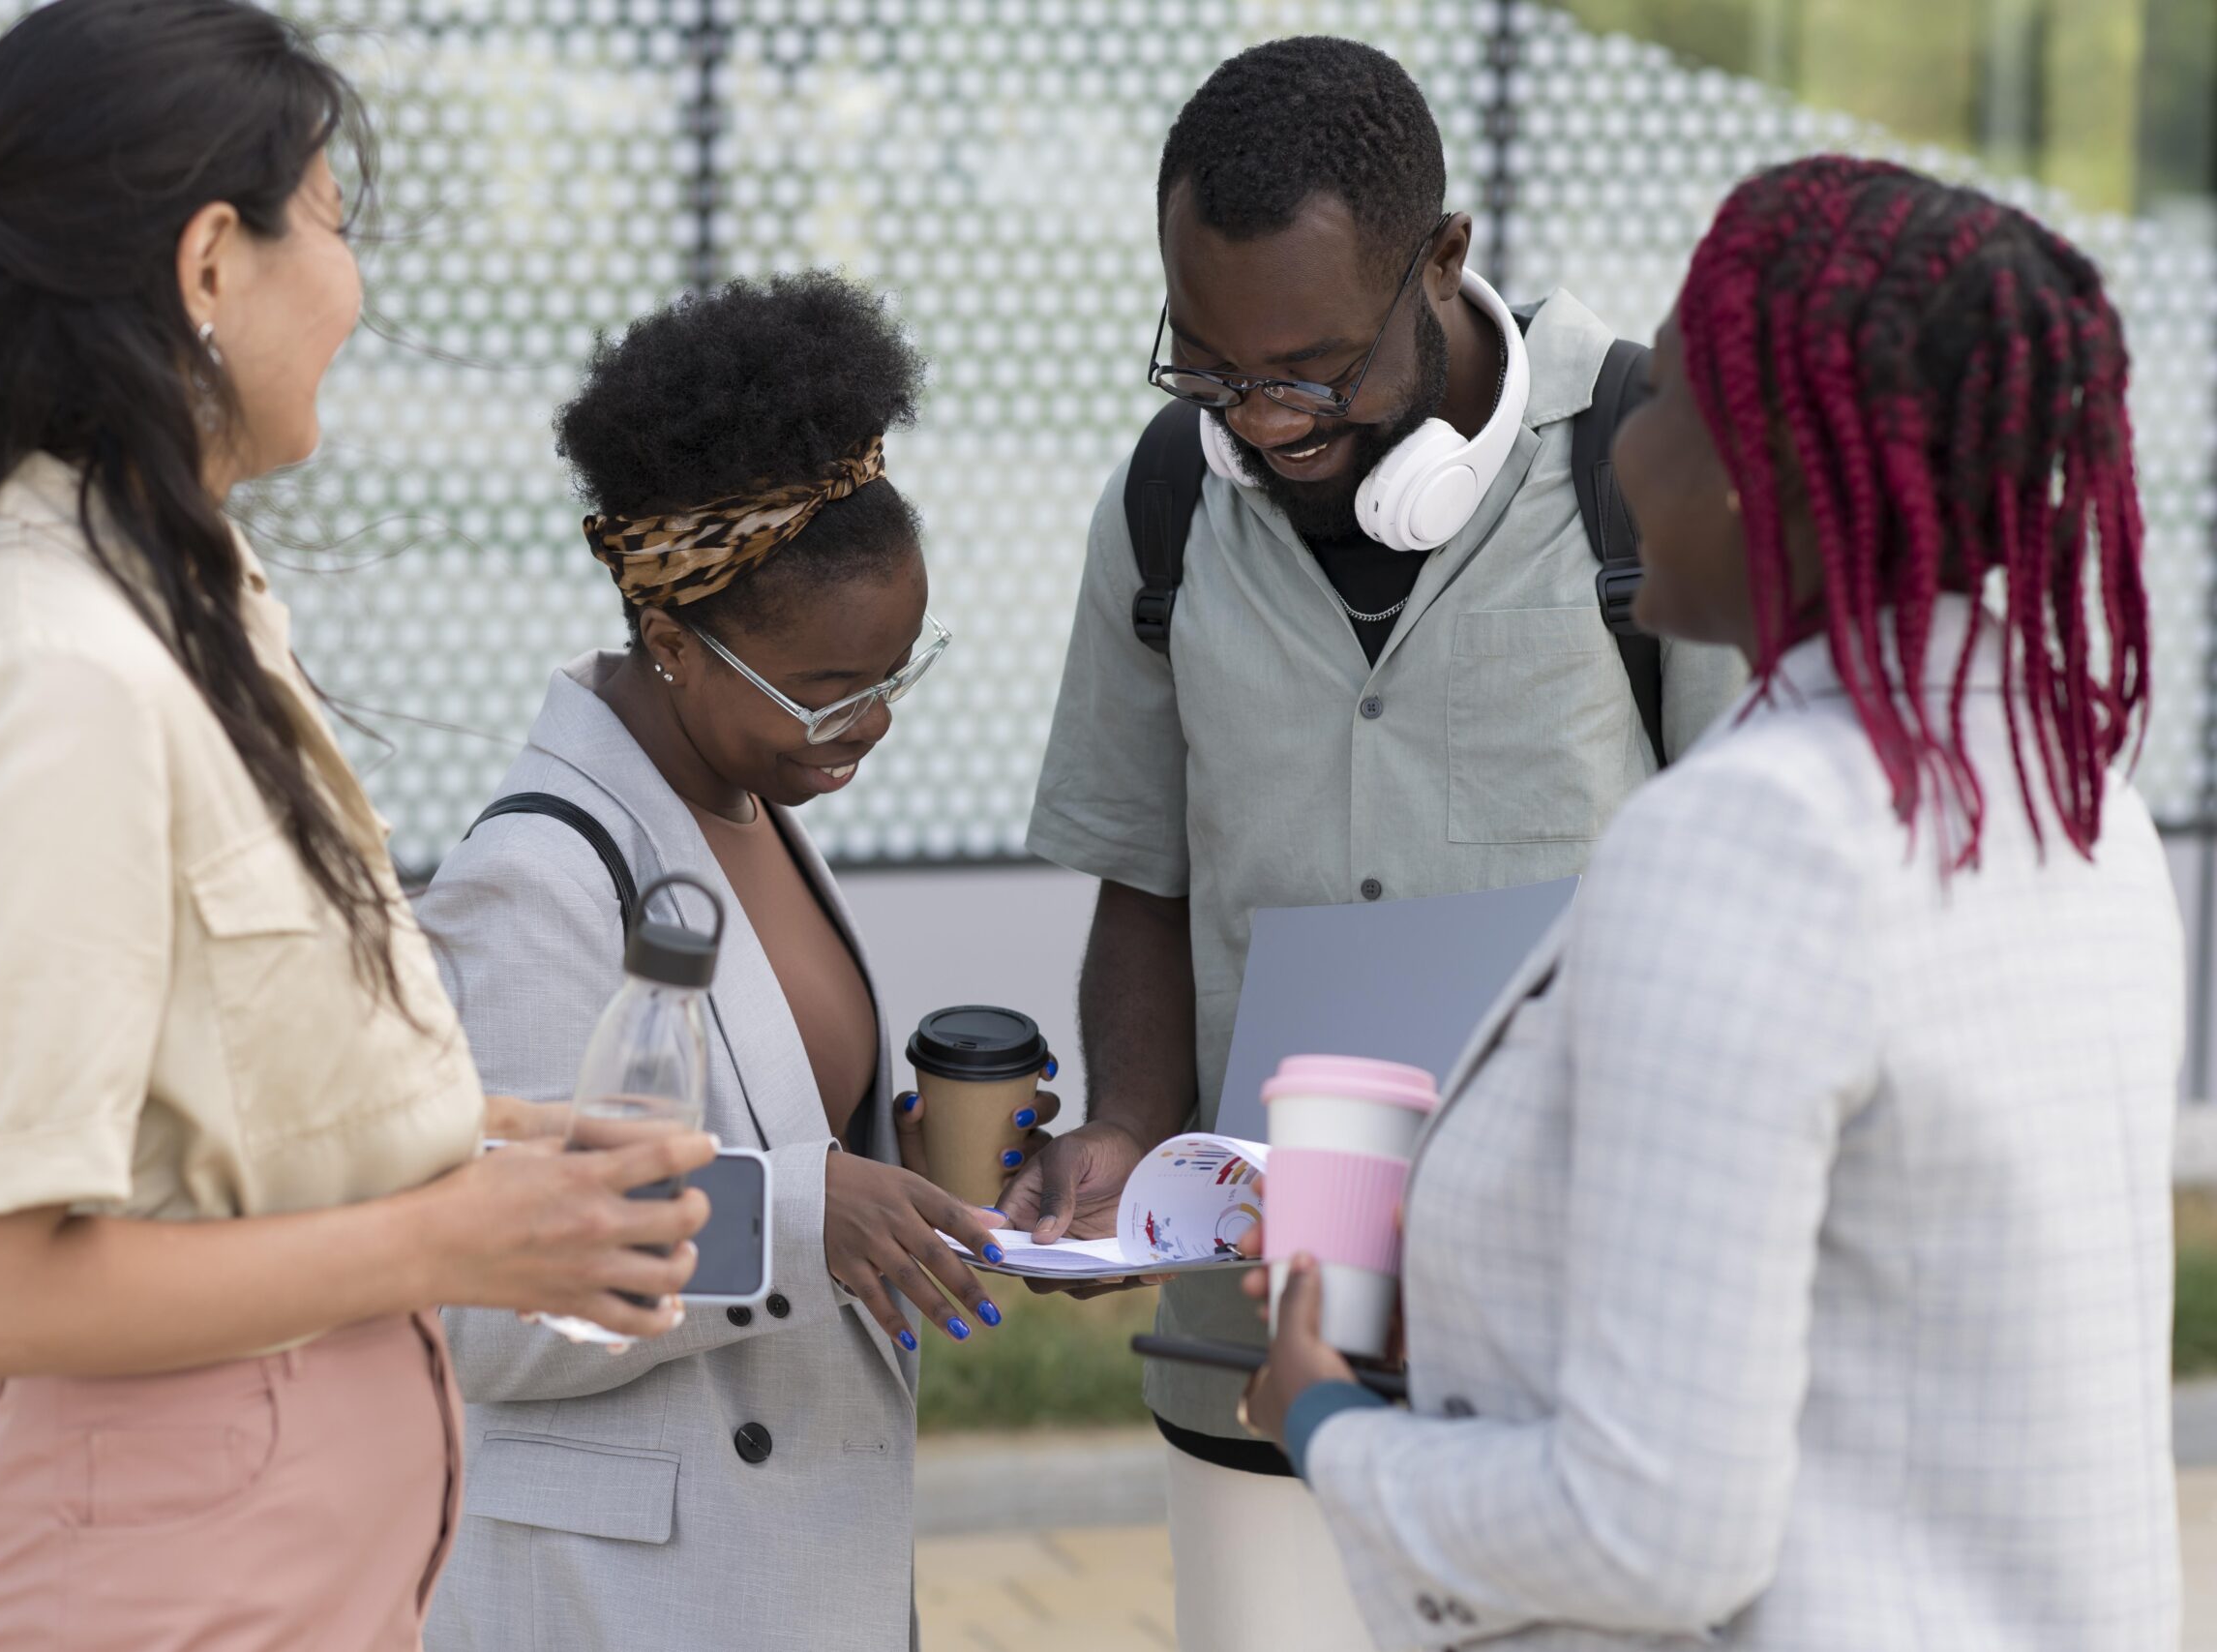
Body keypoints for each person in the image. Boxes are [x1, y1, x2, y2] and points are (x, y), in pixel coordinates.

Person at [0, 5, 711, 1647]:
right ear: (206, 266)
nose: (354, 289)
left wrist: (503, 1150)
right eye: (328, 223)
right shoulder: (65, 663)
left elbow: (209, 1127)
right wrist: (450, 1236)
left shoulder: (181, 600)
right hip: (172, 1587)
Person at [1242, 153, 2180, 1650]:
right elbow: (1894, 1313)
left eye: (1665, 402)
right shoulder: (2078, 806)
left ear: (1768, 462)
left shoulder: (1757, 840)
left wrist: (1333, 1429)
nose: (1625, 455)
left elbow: (1652, 1534)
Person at [1008, 35, 1749, 1646]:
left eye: (1316, 371)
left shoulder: (1648, 471)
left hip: (1567, 1352)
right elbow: (1147, 876)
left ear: (1443, 263)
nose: (1264, 424)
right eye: (1211, 367)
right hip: (1252, 1354)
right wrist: (1129, 1125)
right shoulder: (1158, 507)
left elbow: (1748, 897)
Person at [418, 273, 1042, 1652]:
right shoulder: (533, 883)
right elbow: (484, 1304)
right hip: (632, 1596)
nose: (869, 726)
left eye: (892, 675)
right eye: (823, 692)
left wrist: (918, 1166)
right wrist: (806, 1214)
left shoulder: (740, 798)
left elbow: (765, 1133)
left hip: (790, 1563)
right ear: (667, 643)